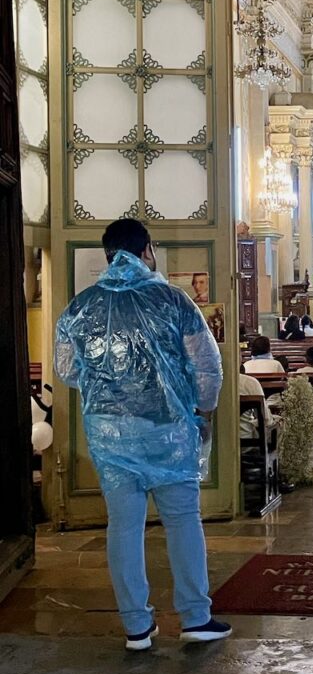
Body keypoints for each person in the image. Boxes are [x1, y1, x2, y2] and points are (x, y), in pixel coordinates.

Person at [54, 218, 231, 650]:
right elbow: (206, 365)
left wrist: (110, 390)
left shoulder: (80, 307)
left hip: (109, 433)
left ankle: (136, 626)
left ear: (108, 254)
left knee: (124, 527)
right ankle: (195, 616)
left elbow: (67, 369)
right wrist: (202, 409)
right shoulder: (172, 299)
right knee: (183, 520)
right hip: (169, 428)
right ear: (147, 250)